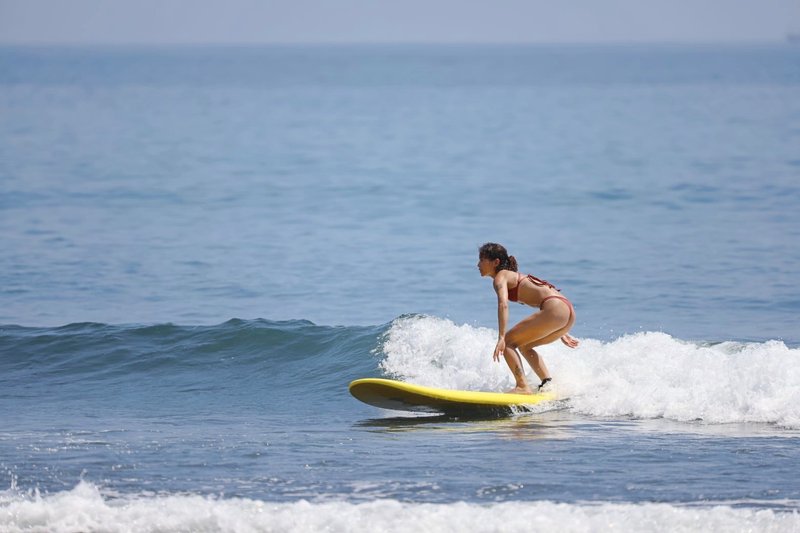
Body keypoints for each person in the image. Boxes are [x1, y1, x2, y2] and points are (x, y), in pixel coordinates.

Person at [477, 242, 579, 394]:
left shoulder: (500, 277)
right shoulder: (513, 276)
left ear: (495, 262)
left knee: (509, 343)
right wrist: (561, 329)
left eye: (482, 260)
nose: (478, 264)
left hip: (555, 309)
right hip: (567, 311)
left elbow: (503, 305)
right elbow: (544, 295)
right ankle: (547, 384)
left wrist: (502, 337)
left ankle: (522, 386)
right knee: (525, 346)